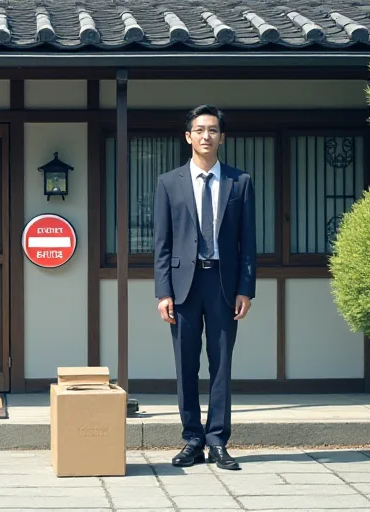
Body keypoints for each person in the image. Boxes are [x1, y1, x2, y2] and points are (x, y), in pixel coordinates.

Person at [152, 105, 256, 470]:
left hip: (224, 284)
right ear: (188, 137)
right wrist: (162, 291)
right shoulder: (169, 183)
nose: (206, 136)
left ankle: (218, 441)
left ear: (222, 137)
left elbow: (247, 241)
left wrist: (246, 288)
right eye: (200, 130)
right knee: (185, 364)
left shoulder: (239, 182)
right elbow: (162, 243)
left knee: (222, 364)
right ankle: (192, 439)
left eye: (213, 130)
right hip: (184, 286)